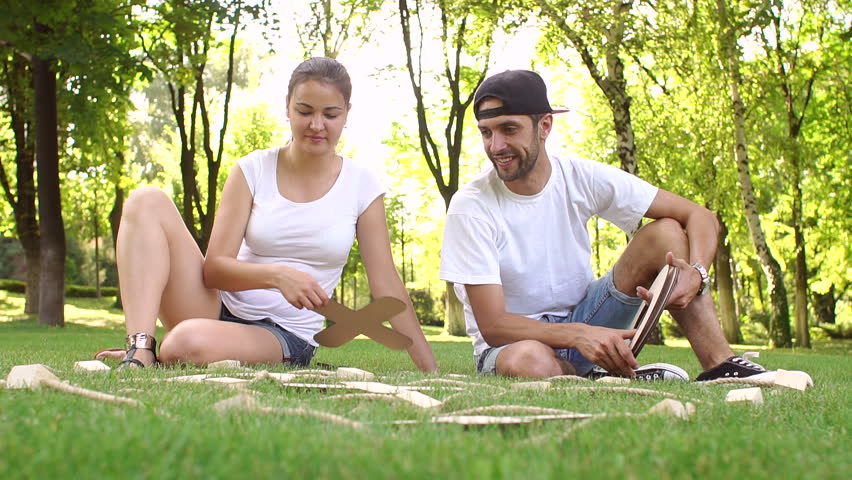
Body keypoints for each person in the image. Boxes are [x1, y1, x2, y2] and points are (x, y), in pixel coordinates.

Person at [102, 57, 437, 372]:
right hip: (215, 307)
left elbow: (387, 285)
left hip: (282, 333)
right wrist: (278, 276)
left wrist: (430, 369)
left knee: (184, 343)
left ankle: (181, 347)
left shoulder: (362, 186)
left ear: (346, 114)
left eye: (330, 114)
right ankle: (140, 349)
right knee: (146, 200)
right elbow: (214, 270)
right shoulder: (252, 169)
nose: (316, 125)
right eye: (304, 111)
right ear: (288, 108)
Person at [439, 69, 773, 381]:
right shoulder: (471, 206)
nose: (496, 147)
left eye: (509, 130)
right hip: (513, 345)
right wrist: (578, 335)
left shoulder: (579, 177)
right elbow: (493, 325)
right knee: (529, 360)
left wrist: (696, 271)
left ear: (544, 126)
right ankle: (599, 376)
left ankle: (719, 366)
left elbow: (699, 216)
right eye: (487, 133)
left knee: (666, 234)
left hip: (589, 318)